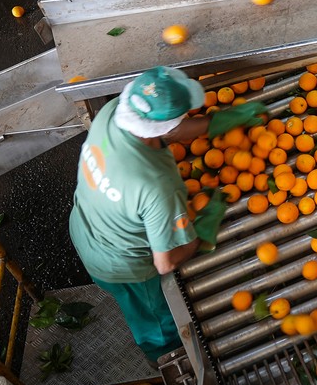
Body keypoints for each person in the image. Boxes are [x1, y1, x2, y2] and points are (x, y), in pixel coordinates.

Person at [69, 66, 263, 364]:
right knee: (157, 322)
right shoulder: (158, 185)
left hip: (85, 223)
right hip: (122, 266)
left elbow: (167, 131)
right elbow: (165, 262)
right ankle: (165, 358)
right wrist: (203, 230)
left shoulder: (111, 113)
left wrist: (218, 122)